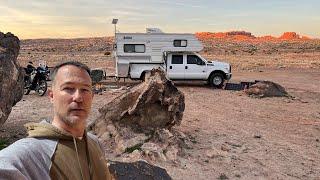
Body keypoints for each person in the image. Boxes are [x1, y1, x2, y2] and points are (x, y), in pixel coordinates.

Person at [0, 61, 112, 180]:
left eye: (85, 90)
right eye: (68, 88)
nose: (78, 97)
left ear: (92, 96)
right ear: (51, 96)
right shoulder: (32, 153)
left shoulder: (95, 143)